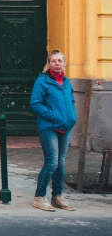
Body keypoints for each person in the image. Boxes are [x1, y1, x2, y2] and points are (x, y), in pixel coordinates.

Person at [30, 50, 77, 211]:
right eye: (53, 61)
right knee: (52, 162)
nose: (57, 63)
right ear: (49, 64)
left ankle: (57, 196)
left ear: (64, 63)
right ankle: (39, 196)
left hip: (66, 126)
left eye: (60, 61)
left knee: (61, 163)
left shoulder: (67, 82)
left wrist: (72, 117)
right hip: (48, 126)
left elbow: (71, 99)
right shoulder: (43, 81)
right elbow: (35, 103)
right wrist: (54, 116)